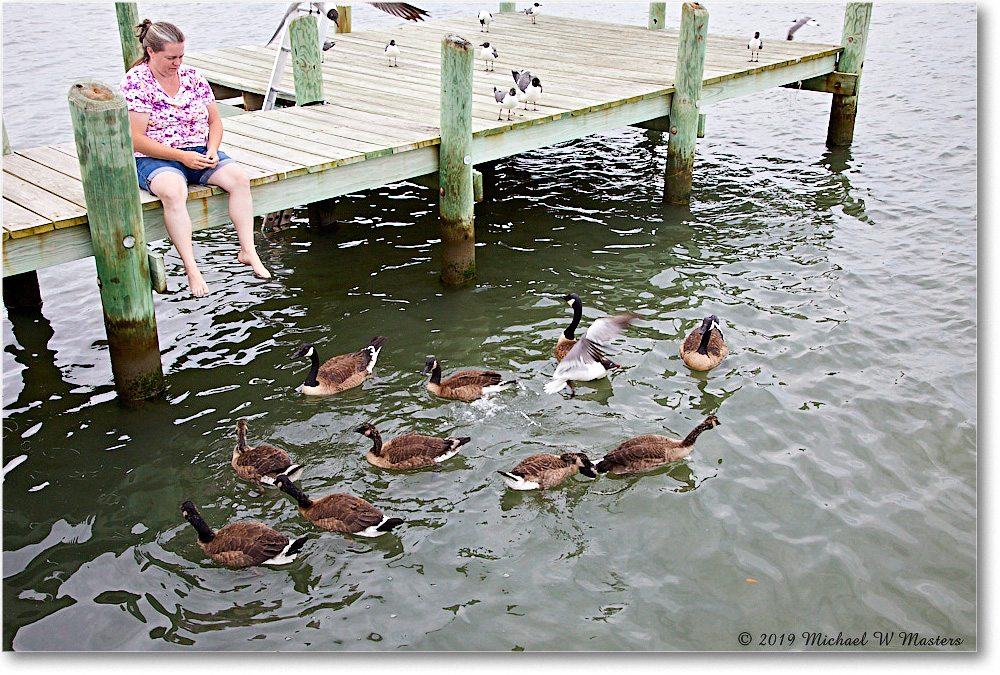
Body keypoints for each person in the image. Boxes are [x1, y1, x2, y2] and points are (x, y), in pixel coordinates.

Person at [118, 20, 270, 297]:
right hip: (155, 156)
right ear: (150, 52)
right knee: (174, 192)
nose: (177, 63)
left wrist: (212, 149)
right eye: (171, 57)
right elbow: (136, 138)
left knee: (239, 178)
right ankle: (192, 269)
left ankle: (248, 249)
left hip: (198, 150)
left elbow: (215, 122)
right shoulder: (136, 81)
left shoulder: (193, 77)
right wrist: (181, 157)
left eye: (181, 56)